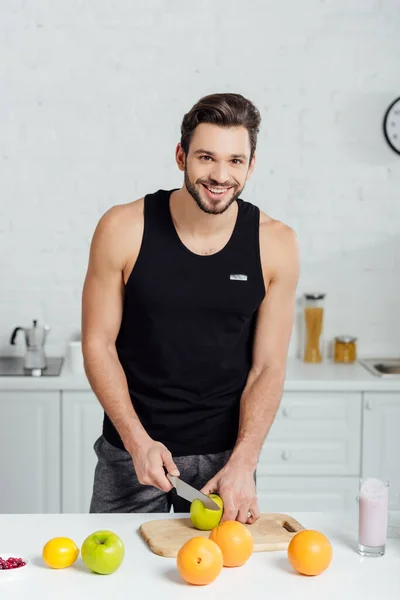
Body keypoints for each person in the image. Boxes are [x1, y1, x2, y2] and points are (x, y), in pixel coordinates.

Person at [82, 93, 300, 524]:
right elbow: (98, 343)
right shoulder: (123, 228)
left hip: (226, 463)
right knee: (108, 586)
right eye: (206, 157)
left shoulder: (276, 244)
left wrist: (245, 462)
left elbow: (268, 367)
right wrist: (135, 440)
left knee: (220, 586)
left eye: (236, 161)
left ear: (251, 165)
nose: (221, 175)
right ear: (181, 156)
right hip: (132, 451)